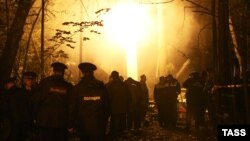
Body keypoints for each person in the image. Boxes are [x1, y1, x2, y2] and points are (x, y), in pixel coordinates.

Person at [68, 62, 110, 141]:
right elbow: (107, 105)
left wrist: (70, 124)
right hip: (99, 124)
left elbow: (72, 107)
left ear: (82, 72)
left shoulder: (77, 88)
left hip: (83, 125)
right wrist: (104, 120)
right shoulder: (101, 86)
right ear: (92, 72)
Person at [33, 62, 73, 141]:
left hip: (44, 121)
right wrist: (70, 123)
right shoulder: (68, 86)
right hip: (61, 122)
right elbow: (71, 105)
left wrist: (34, 116)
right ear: (63, 72)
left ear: (53, 70)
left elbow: (36, 100)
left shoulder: (44, 82)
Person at [3, 77, 30, 141]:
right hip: (24, 120)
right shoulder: (22, 91)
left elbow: (5, 107)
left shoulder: (7, 93)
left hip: (12, 120)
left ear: (7, 84)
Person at [106, 71, 130, 140]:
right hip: (123, 107)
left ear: (112, 76)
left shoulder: (110, 85)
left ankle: (116, 135)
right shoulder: (124, 85)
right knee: (122, 121)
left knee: (115, 121)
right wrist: (128, 106)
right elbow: (128, 96)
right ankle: (121, 134)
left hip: (114, 108)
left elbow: (108, 98)